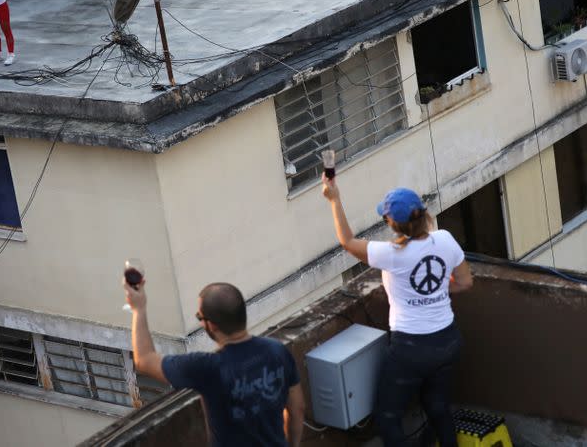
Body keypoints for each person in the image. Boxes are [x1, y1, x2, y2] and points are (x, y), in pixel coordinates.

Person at [321, 175, 473, 447]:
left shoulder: (391, 254)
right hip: (448, 341)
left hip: (410, 350)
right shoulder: (445, 239)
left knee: (388, 417)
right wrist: (436, 292)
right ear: (424, 216)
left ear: (392, 224)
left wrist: (334, 199)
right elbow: (464, 282)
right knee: (437, 407)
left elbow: (346, 241)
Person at [123, 278, 305, 447]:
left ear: (213, 325)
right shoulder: (277, 350)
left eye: (200, 317)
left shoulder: (207, 368)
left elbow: (144, 360)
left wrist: (139, 308)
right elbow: (297, 409)